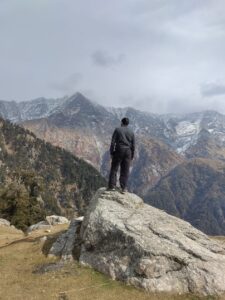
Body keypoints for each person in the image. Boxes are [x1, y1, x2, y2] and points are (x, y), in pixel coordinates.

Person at [108, 117, 135, 193]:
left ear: (121, 123)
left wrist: (112, 152)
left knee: (114, 168)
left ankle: (111, 186)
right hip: (128, 152)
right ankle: (123, 188)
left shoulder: (117, 130)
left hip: (119, 150)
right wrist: (132, 155)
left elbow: (113, 142)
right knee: (125, 170)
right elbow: (133, 145)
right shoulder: (131, 132)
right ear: (128, 123)